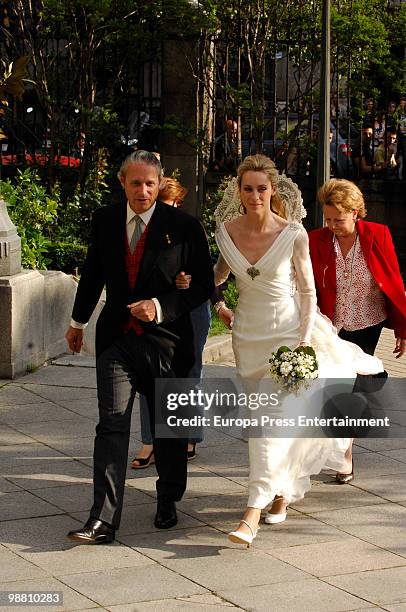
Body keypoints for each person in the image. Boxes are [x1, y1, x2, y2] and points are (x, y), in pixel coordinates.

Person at [212, 154, 382, 547]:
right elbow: (217, 275)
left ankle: (251, 513)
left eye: (262, 188)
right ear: (238, 191)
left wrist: (305, 340)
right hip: (247, 337)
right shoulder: (227, 232)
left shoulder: (292, 233)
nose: (255, 195)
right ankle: (281, 492)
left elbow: (307, 291)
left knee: (269, 424)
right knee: (265, 424)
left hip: (287, 335)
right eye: (248, 188)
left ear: (273, 191)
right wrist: (210, 297)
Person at [65, 150, 214, 543]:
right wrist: (78, 321)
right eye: (135, 183)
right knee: (111, 426)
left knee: (168, 428)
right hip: (117, 339)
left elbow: (204, 286)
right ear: (123, 183)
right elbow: (93, 273)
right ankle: (102, 519)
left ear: (159, 183)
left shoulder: (183, 226)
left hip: (168, 343)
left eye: (150, 183)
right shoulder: (105, 220)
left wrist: (161, 305)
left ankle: (167, 499)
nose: (143, 190)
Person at [309, 178, 406, 483]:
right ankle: (332, 448)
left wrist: (402, 328)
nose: (332, 225)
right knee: (332, 387)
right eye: (328, 219)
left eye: (338, 219)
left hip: (368, 322)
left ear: (355, 212)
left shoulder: (378, 235)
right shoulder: (316, 240)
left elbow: (393, 280)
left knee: (354, 389)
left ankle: (345, 451)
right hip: (330, 324)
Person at [131, 177, 211, 468]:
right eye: (166, 203)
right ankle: (150, 441)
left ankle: (187, 436)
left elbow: (207, 276)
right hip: (153, 311)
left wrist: (191, 282)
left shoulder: (191, 227)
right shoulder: (139, 229)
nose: (172, 208)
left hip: (191, 311)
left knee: (189, 374)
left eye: (176, 203)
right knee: (148, 375)